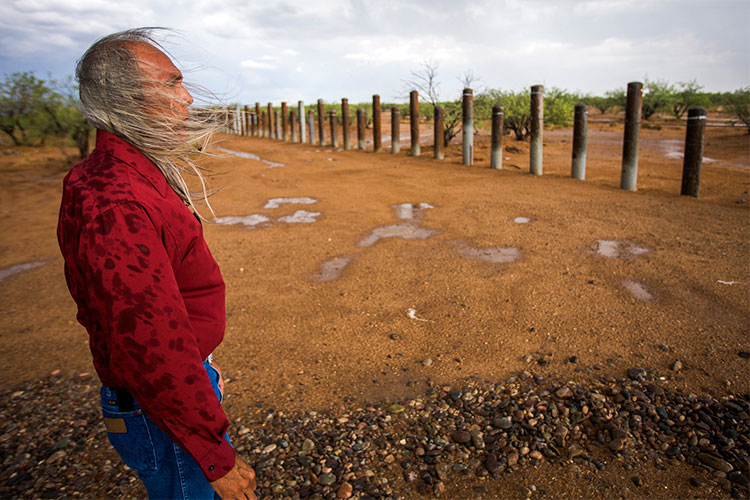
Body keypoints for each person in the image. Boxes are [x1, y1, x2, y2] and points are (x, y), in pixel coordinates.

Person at [57, 28, 257, 500]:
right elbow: (150, 347)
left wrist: (200, 364)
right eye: (171, 84)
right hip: (157, 407)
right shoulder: (117, 203)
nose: (186, 98)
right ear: (126, 99)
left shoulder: (120, 176)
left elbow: (157, 318)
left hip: (170, 392)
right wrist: (215, 455)